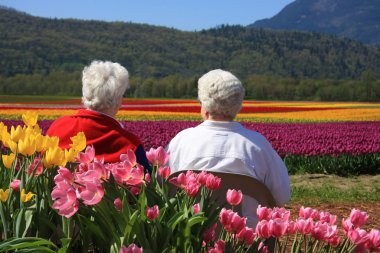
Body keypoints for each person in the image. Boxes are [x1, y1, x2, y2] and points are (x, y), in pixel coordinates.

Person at [166, 69, 290, 227]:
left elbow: (164, 190)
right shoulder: (257, 145)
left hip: (193, 239)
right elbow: (282, 196)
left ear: (203, 103)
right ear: (239, 104)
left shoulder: (182, 141)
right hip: (247, 241)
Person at [47, 60, 150, 173]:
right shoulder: (129, 144)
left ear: (85, 93)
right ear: (117, 100)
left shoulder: (57, 127)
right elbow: (148, 183)